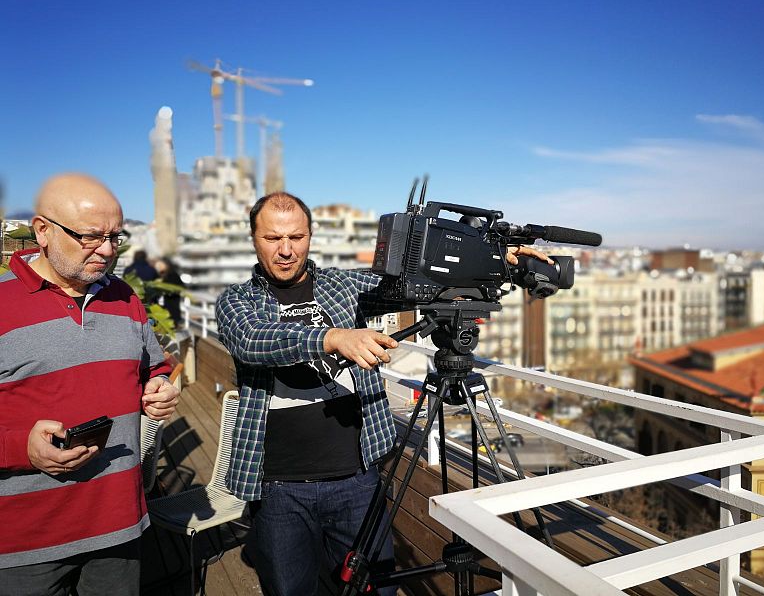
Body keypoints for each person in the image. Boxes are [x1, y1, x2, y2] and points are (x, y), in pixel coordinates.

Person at [215, 192, 551, 596]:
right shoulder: (237, 301)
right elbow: (253, 340)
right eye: (272, 239)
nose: (286, 250)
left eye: (296, 237)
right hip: (278, 484)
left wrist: (496, 258)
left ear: (310, 236)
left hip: (357, 476)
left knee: (376, 588)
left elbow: (405, 284)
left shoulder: (340, 285)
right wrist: (334, 337)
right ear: (253, 239)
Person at [0, 173, 180, 596]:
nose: (106, 250)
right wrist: (19, 448)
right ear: (42, 231)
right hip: (26, 543)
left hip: (120, 525)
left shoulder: (125, 297)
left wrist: (159, 387)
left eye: (115, 237)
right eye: (90, 236)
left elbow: (154, 367)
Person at [154, 257, 185, 327]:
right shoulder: (169, 274)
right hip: (170, 301)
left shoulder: (171, 275)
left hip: (171, 301)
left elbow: (181, 287)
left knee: (171, 318)